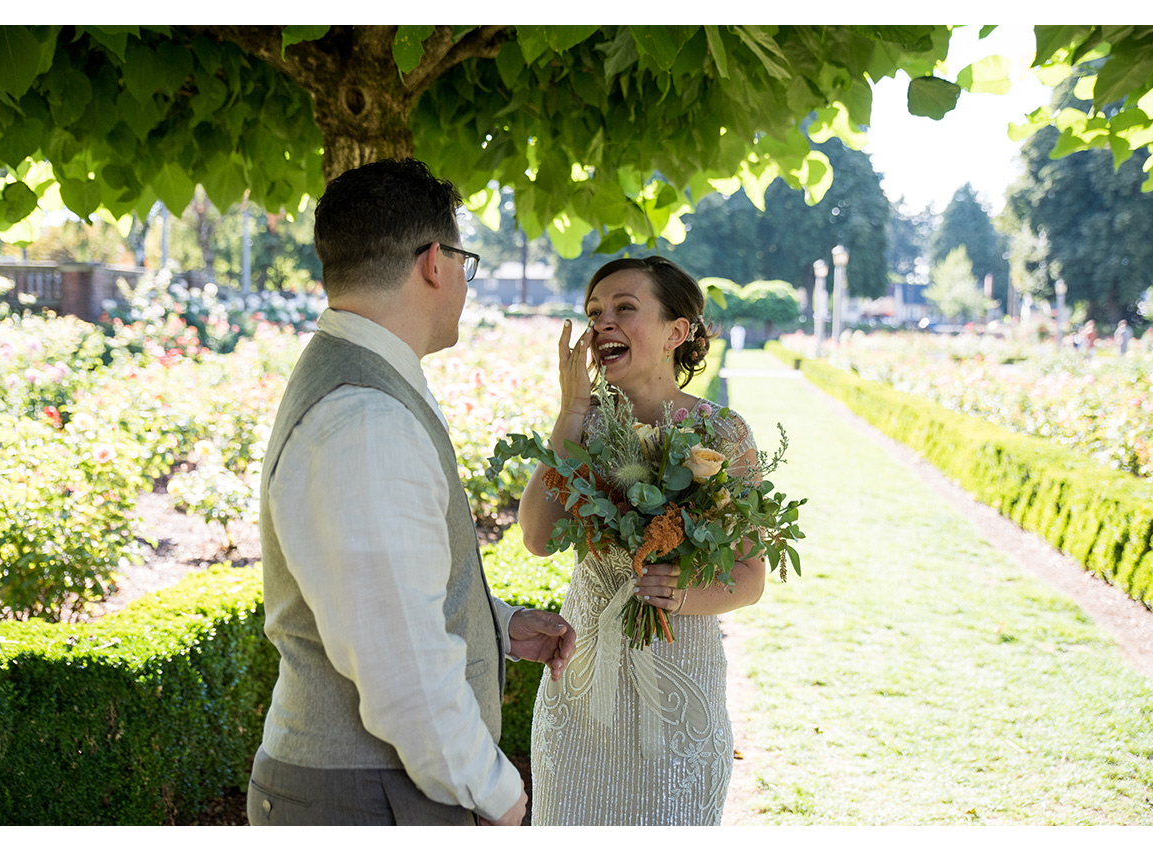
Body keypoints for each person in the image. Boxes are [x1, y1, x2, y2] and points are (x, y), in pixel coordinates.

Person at [247, 158, 576, 826]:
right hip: (369, 799)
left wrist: (499, 622)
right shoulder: (365, 419)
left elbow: (386, 592)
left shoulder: (365, 391)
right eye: (466, 261)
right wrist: (499, 791)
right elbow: (400, 668)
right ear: (435, 262)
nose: (464, 282)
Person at [517, 256, 768, 825]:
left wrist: (680, 595)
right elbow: (535, 537)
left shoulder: (724, 435)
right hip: (581, 686)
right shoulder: (585, 424)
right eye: (594, 312)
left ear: (677, 332)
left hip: (680, 682)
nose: (603, 322)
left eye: (625, 308)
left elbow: (750, 580)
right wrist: (572, 409)